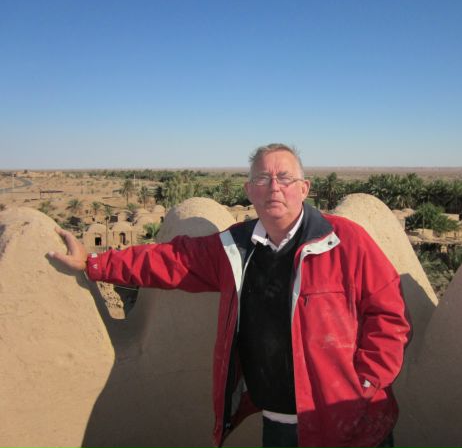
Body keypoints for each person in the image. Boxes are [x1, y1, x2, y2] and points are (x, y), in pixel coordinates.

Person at [49, 143, 411, 448]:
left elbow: (389, 315)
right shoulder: (235, 248)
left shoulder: (345, 240)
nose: (274, 187)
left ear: (304, 188)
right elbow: (171, 260)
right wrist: (93, 263)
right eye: (262, 179)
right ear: (249, 190)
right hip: (280, 421)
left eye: (285, 178)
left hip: (354, 421)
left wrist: (364, 384)